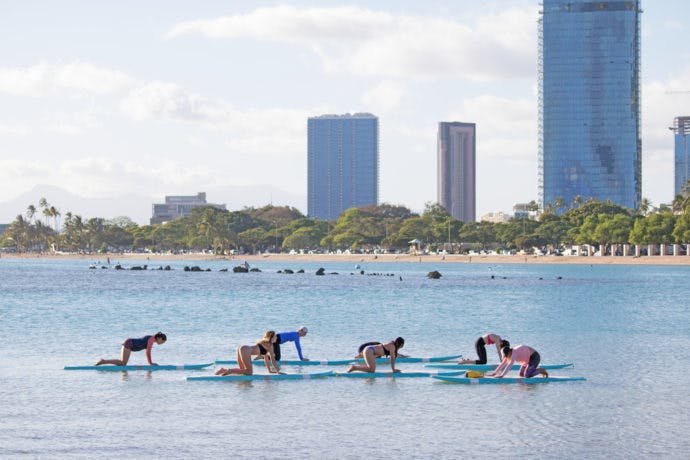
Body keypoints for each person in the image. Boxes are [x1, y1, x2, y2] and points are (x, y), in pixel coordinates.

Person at [215, 330, 282, 376]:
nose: (276, 338)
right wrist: (278, 371)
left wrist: (269, 371)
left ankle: (223, 370)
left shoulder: (263, 341)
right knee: (249, 372)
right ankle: (230, 371)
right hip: (245, 350)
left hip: (241, 348)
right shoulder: (270, 345)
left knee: (243, 371)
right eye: (275, 336)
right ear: (271, 337)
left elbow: (266, 359)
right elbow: (273, 361)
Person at [95, 332, 167, 366]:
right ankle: (104, 361)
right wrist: (150, 363)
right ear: (159, 338)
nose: (162, 343)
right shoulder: (151, 339)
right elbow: (148, 352)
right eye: (162, 341)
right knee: (123, 363)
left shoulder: (151, 339)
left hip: (129, 343)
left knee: (122, 363)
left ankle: (104, 362)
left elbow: (147, 351)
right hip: (129, 344)